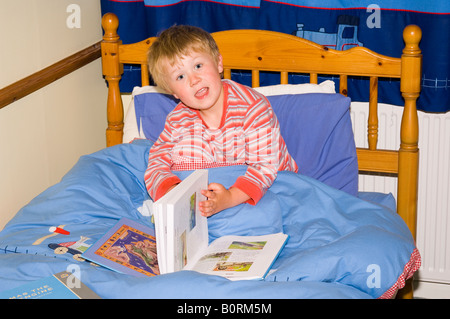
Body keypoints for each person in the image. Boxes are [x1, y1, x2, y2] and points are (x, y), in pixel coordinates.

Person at [145, 25, 298, 217]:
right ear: (173, 92)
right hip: (213, 198)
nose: (194, 80)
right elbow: (157, 160)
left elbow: (266, 166)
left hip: (270, 186)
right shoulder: (177, 120)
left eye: (198, 66)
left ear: (218, 63)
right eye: (180, 76)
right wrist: (173, 192)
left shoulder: (253, 107)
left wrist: (229, 198)